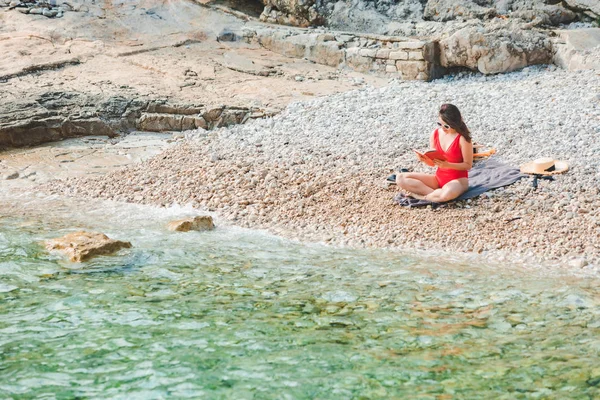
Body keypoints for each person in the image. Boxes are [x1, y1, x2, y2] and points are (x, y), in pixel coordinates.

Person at [396, 103, 473, 202]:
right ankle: (435, 195)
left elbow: (468, 165)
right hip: (438, 179)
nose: (443, 128)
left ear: (455, 123)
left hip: (458, 181)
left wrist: (448, 165)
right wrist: (425, 159)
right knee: (400, 178)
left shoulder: (463, 139)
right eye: (440, 124)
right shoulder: (435, 134)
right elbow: (433, 163)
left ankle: (423, 197)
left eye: (446, 126)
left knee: (447, 193)